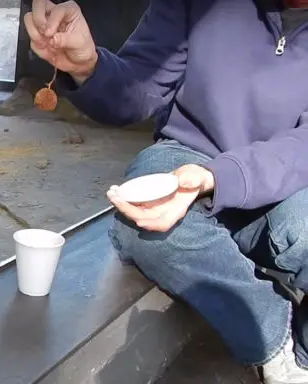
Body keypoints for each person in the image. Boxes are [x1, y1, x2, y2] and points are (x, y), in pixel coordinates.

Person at [24, 0, 308, 383]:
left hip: (289, 175)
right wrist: (87, 65)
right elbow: (139, 88)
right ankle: (273, 337)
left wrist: (218, 177)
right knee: (142, 222)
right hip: (190, 151)